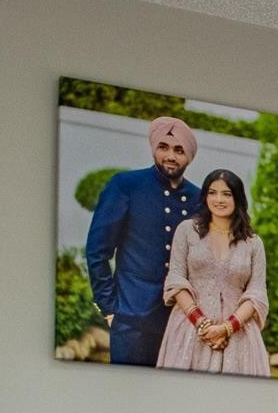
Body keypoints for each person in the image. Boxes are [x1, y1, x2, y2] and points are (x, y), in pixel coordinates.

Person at [82, 117, 202, 367]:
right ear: (154, 149)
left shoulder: (198, 198)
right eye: (164, 147)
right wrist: (110, 308)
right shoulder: (126, 185)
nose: (170, 155)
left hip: (177, 321)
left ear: (189, 155)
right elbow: (97, 251)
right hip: (130, 318)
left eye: (179, 150)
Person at [155, 168, 271, 377]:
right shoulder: (187, 231)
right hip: (189, 330)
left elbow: (256, 294)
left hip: (239, 337)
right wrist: (201, 322)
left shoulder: (253, 243)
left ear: (238, 198)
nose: (219, 199)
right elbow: (176, 278)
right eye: (212, 192)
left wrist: (227, 328)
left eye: (226, 194)